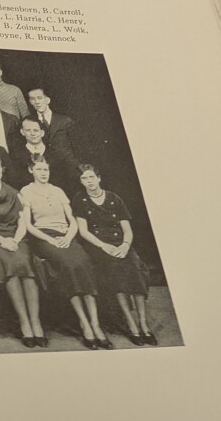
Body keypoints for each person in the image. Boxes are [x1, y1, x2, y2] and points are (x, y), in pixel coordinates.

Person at [19, 154, 111, 350]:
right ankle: (83, 323)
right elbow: (28, 225)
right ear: (31, 170)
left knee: (84, 262)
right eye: (39, 169)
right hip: (44, 237)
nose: (43, 173)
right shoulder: (26, 192)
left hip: (66, 235)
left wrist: (69, 237)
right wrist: (51, 240)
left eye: (46, 169)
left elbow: (72, 220)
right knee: (69, 265)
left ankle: (95, 323)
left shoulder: (58, 191)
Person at [72, 165, 155, 346]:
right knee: (114, 269)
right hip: (98, 244)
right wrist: (103, 246)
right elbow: (83, 231)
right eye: (85, 178)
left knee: (135, 267)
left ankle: (144, 323)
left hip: (120, 242)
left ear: (99, 178)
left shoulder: (114, 198)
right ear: (81, 181)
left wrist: (125, 245)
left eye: (92, 177)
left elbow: (127, 229)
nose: (89, 182)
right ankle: (131, 323)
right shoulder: (80, 199)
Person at [0, 152, 45, 348]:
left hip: (15, 237)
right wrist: (2, 241)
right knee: (10, 266)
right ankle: (24, 323)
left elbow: (22, 222)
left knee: (26, 267)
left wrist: (16, 240)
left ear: (3, 169)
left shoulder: (12, 192)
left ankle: (35, 322)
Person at [9, 116, 74, 192]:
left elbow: (64, 181)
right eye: (28, 130)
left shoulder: (55, 154)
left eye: (36, 130)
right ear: (22, 132)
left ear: (42, 133)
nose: (32, 133)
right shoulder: (16, 156)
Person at [27, 88, 79, 166]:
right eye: (33, 99)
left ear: (48, 100)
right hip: (45, 167)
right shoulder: (29, 122)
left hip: (67, 166)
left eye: (40, 98)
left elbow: (77, 146)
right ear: (30, 102)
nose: (37, 102)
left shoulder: (65, 121)